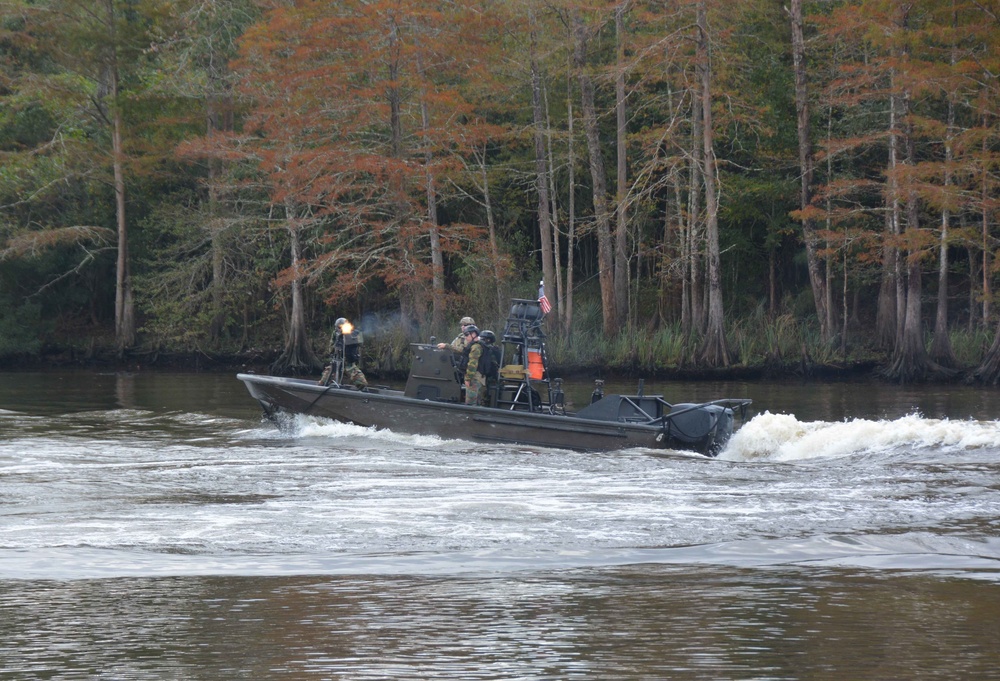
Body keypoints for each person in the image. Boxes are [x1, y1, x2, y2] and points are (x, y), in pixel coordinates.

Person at [322, 317, 368, 390]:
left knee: (362, 383)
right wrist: (337, 343)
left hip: (348, 363)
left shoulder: (353, 333)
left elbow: (361, 343)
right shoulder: (335, 334)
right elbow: (330, 349)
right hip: (336, 362)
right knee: (323, 382)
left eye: (341, 327)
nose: (340, 329)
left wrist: (352, 337)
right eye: (338, 327)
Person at [461, 325, 484, 405]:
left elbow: (472, 364)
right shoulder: (477, 345)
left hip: (474, 378)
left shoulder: (476, 347)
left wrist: (468, 378)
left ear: (474, 334)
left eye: (467, 335)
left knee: (470, 403)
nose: (466, 337)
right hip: (477, 377)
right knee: (476, 402)